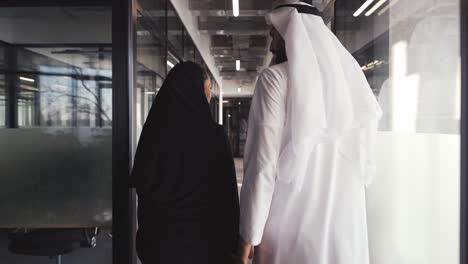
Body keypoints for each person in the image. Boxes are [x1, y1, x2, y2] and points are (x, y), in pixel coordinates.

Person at [238, 1, 382, 264]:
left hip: (289, 233)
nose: (271, 46)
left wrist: (249, 235)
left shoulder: (275, 80)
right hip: (343, 232)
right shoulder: (351, 87)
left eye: (274, 36)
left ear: (289, 35)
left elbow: (262, 167)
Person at [131, 61, 240, 264]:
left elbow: (143, 191)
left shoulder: (152, 136)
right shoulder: (214, 136)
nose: (207, 99)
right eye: (205, 93)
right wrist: (233, 246)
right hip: (207, 248)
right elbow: (228, 199)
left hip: (160, 247)